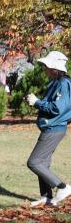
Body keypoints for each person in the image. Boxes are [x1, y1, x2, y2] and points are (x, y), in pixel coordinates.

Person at [26, 50, 71, 207]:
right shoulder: (58, 83)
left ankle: (63, 187)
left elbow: (57, 108)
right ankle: (46, 197)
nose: (44, 69)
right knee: (43, 163)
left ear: (55, 68)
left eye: (46, 66)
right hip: (53, 128)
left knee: (34, 162)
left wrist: (37, 102)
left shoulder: (63, 84)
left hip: (55, 129)